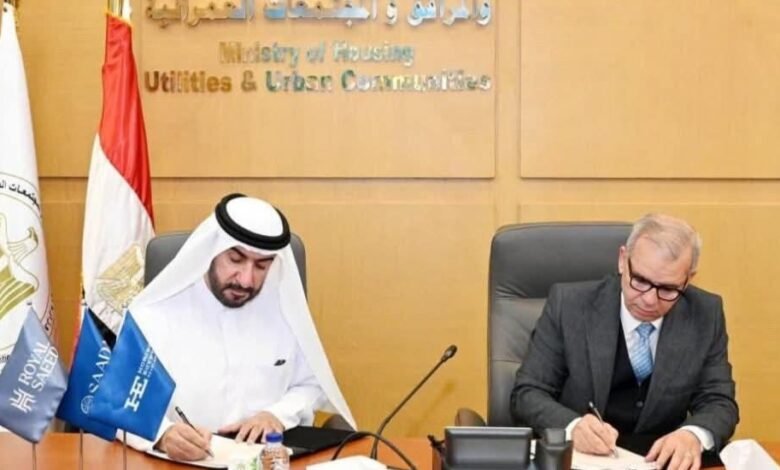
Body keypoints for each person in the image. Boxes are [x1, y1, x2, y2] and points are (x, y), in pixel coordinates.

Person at [125, 193, 355, 461]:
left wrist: (277, 415)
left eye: (261, 266)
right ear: (212, 250)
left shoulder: (285, 312)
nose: (246, 280)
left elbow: (311, 385)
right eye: (235, 260)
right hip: (180, 463)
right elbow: (120, 400)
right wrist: (163, 435)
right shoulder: (153, 313)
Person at [510, 213, 738, 470]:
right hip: (581, 462)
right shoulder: (569, 305)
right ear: (622, 260)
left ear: (688, 279)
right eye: (640, 280)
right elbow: (527, 393)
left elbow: (719, 402)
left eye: (668, 289)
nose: (649, 300)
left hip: (659, 464)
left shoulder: (705, 313)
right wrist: (573, 427)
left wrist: (693, 435)